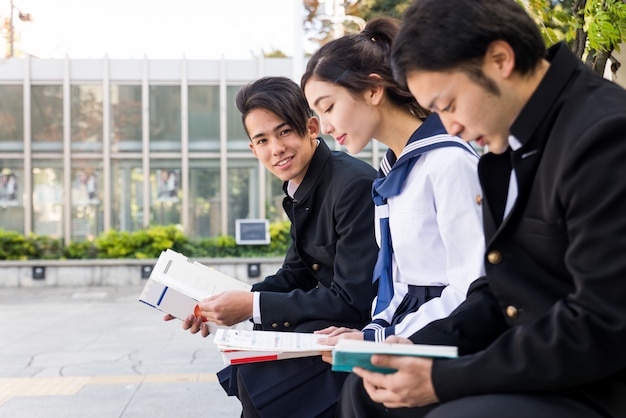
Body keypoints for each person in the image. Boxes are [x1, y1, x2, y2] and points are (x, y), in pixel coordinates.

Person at [339, 0, 626, 417]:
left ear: (500, 59)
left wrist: (442, 379)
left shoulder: (603, 136)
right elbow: (499, 289)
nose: (449, 125)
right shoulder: (506, 148)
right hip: (540, 365)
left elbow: (601, 324)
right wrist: (420, 348)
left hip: (598, 383)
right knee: (367, 391)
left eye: (448, 104)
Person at [166, 76, 379, 418]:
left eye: (284, 132)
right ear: (253, 149)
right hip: (326, 330)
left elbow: (353, 299)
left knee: (260, 377)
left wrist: (250, 305)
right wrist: (210, 305)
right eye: (262, 140)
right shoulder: (301, 188)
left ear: (311, 127)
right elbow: (296, 273)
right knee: (252, 367)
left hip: (358, 332)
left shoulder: (351, 185)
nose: (276, 148)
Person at [301, 17, 484, 355]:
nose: (324, 126)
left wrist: (381, 341)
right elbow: (396, 284)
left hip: (444, 338)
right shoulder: (391, 172)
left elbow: (471, 287)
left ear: (372, 89)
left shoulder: (449, 162)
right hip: (403, 330)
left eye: (328, 107)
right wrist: (373, 331)